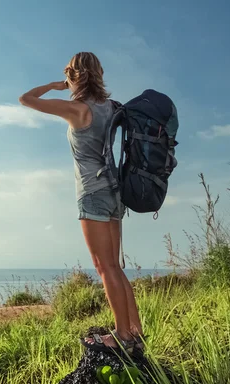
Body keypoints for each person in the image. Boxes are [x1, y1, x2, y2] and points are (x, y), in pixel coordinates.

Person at [19, 51, 143, 353]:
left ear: (73, 76)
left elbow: (26, 99)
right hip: (115, 190)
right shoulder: (111, 107)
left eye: (68, 74)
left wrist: (52, 85)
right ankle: (134, 331)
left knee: (105, 268)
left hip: (93, 193)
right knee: (115, 266)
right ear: (98, 74)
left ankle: (122, 335)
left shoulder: (77, 109)